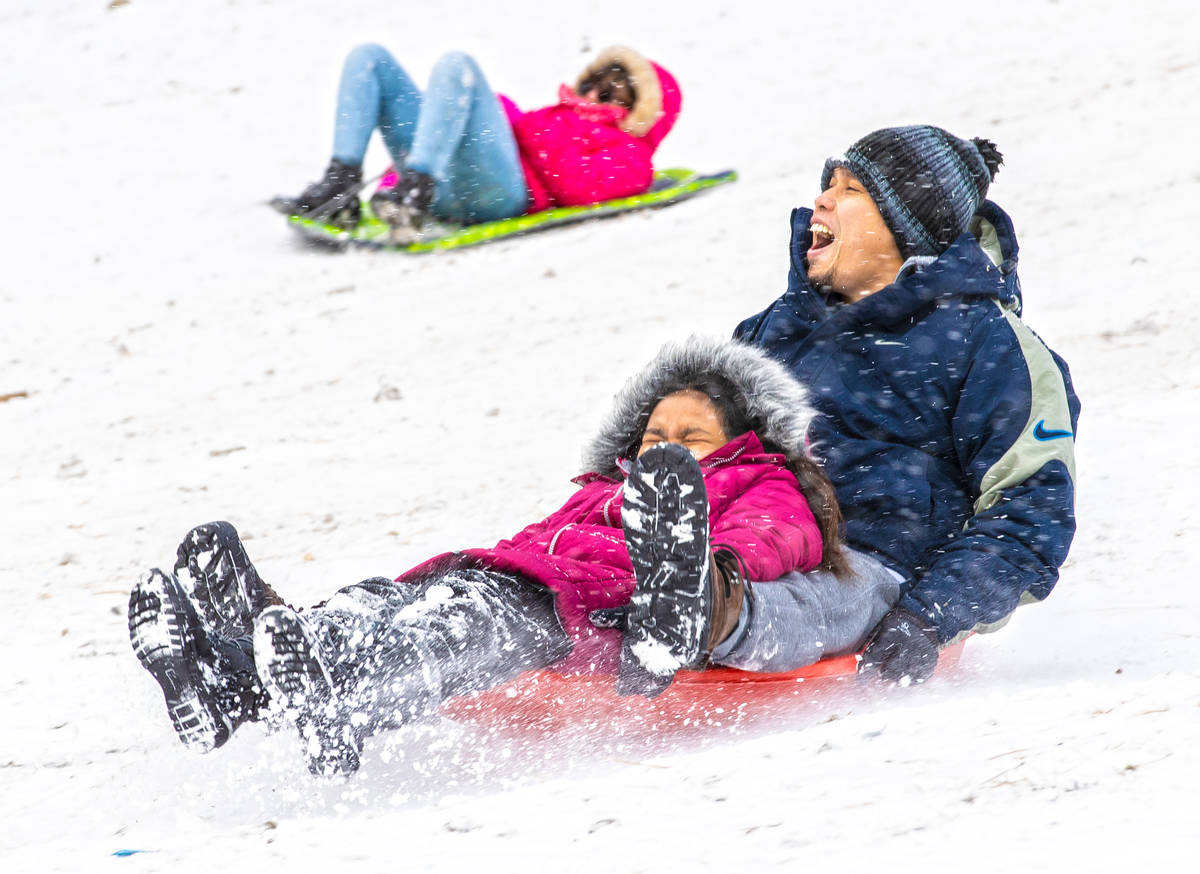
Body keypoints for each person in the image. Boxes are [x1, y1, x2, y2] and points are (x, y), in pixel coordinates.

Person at [128, 338, 900, 776]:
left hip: (588, 613)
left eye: (689, 439)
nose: (664, 451)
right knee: (396, 601)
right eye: (653, 438)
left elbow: (769, 543)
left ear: (739, 442)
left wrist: (703, 566)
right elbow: (537, 544)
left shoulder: (761, 481)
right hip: (521, 577)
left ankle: (343, 694)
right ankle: (236, 671)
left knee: (456, 627)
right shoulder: (599, 491)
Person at [734, 125, 1081, 685]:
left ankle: (710, 613)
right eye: (828, 183)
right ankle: (547, 615)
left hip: (867, 571)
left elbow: (1029, 509)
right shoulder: (777, 326)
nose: (821, 198)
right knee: (602, 548)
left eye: (850, 190)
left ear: (905, 226)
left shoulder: (987, 344)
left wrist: (929, 616)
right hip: (742, 537)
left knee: (818, 595)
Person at [269, 44, 681, 238]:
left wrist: (522, 129)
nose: (591, 96)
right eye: (592, 83)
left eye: (609, 93)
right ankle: (343, 182)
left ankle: (417, 190)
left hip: (500, 196)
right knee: (369, 58)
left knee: (458, 67)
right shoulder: (550, 119)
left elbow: (575, 187)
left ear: (640, 114)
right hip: (452, 187)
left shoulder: (632, 156)